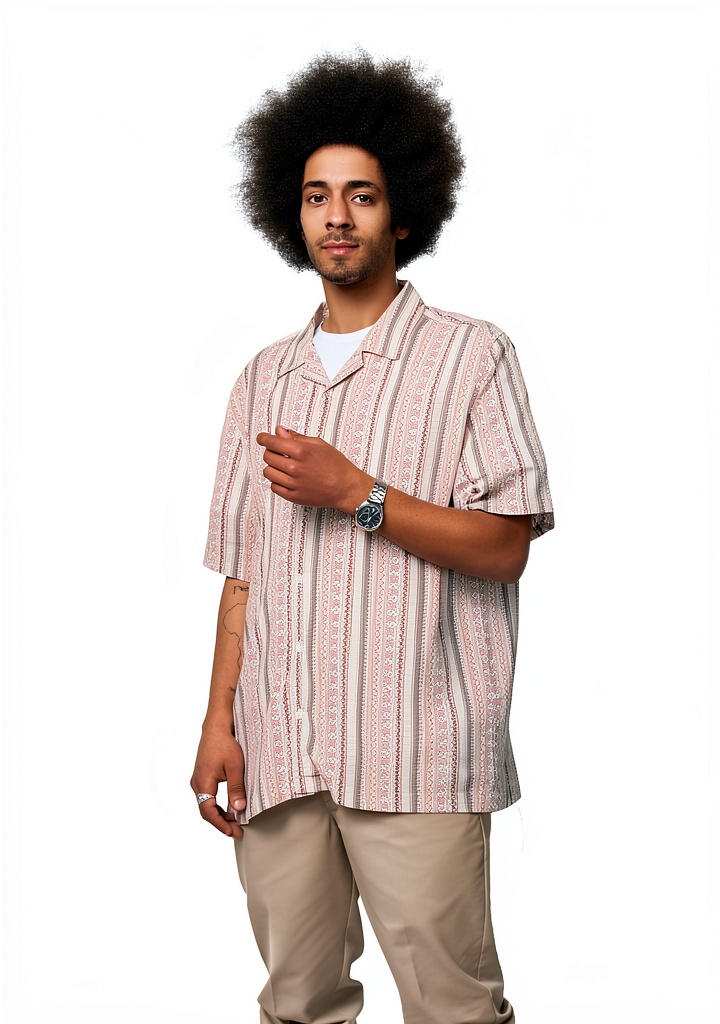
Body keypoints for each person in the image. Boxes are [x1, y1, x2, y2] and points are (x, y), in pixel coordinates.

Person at [191, 52, 554, 1024]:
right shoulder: (261, 380)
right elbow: (243, 577)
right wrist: (219, 722)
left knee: (454, 1008)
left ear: (402, 214)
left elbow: (505, 546)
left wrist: (357, 492)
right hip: (278, 749)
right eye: (317, 196)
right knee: (297, 1003)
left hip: (417, 750)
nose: (337, 217)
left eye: (361, 195)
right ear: (292, 212)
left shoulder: (472, 357)